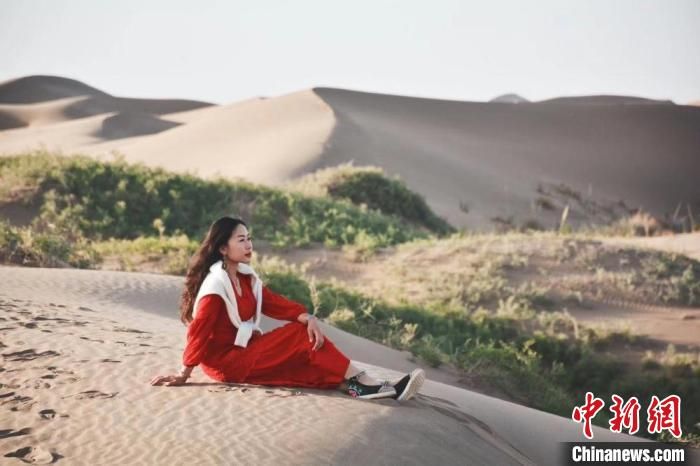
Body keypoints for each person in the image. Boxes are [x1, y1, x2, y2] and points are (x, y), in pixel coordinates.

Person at [150, 216, 425, 401]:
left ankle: (361, 387)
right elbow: (199, 332)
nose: (249, 244)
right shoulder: (215, 287)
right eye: (241, 240)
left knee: (303, 362)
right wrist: (184, 373)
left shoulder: (246, 279)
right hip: (226, 363)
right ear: (223, 248)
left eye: (249, 238)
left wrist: (306, 316)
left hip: (245, 351)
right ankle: (364, 381)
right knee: (298, 335)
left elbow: (273, 302)